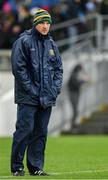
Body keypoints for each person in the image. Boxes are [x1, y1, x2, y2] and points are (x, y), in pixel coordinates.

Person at [10, 8, 63, 176]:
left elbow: (59, 69)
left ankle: (35, 167)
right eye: (42, 23)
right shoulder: (23, 41)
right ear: (35, 24)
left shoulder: (52, 43)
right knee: (24, 131)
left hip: (47, 97)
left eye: (48, 23)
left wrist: (54, 90)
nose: (45, 26)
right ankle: (17, 167)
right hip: (28, 97)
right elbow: (19, 69)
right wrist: (32, 90)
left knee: (40, 133)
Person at [67, 64, 88, 132]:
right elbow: (74, 85)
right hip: (73, 94)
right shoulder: (73, 76)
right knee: (75, 111)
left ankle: (73, 125)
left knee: (76, 111)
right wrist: (82, 82)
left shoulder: (74, 75)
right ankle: (73, 126)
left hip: (75, 94)